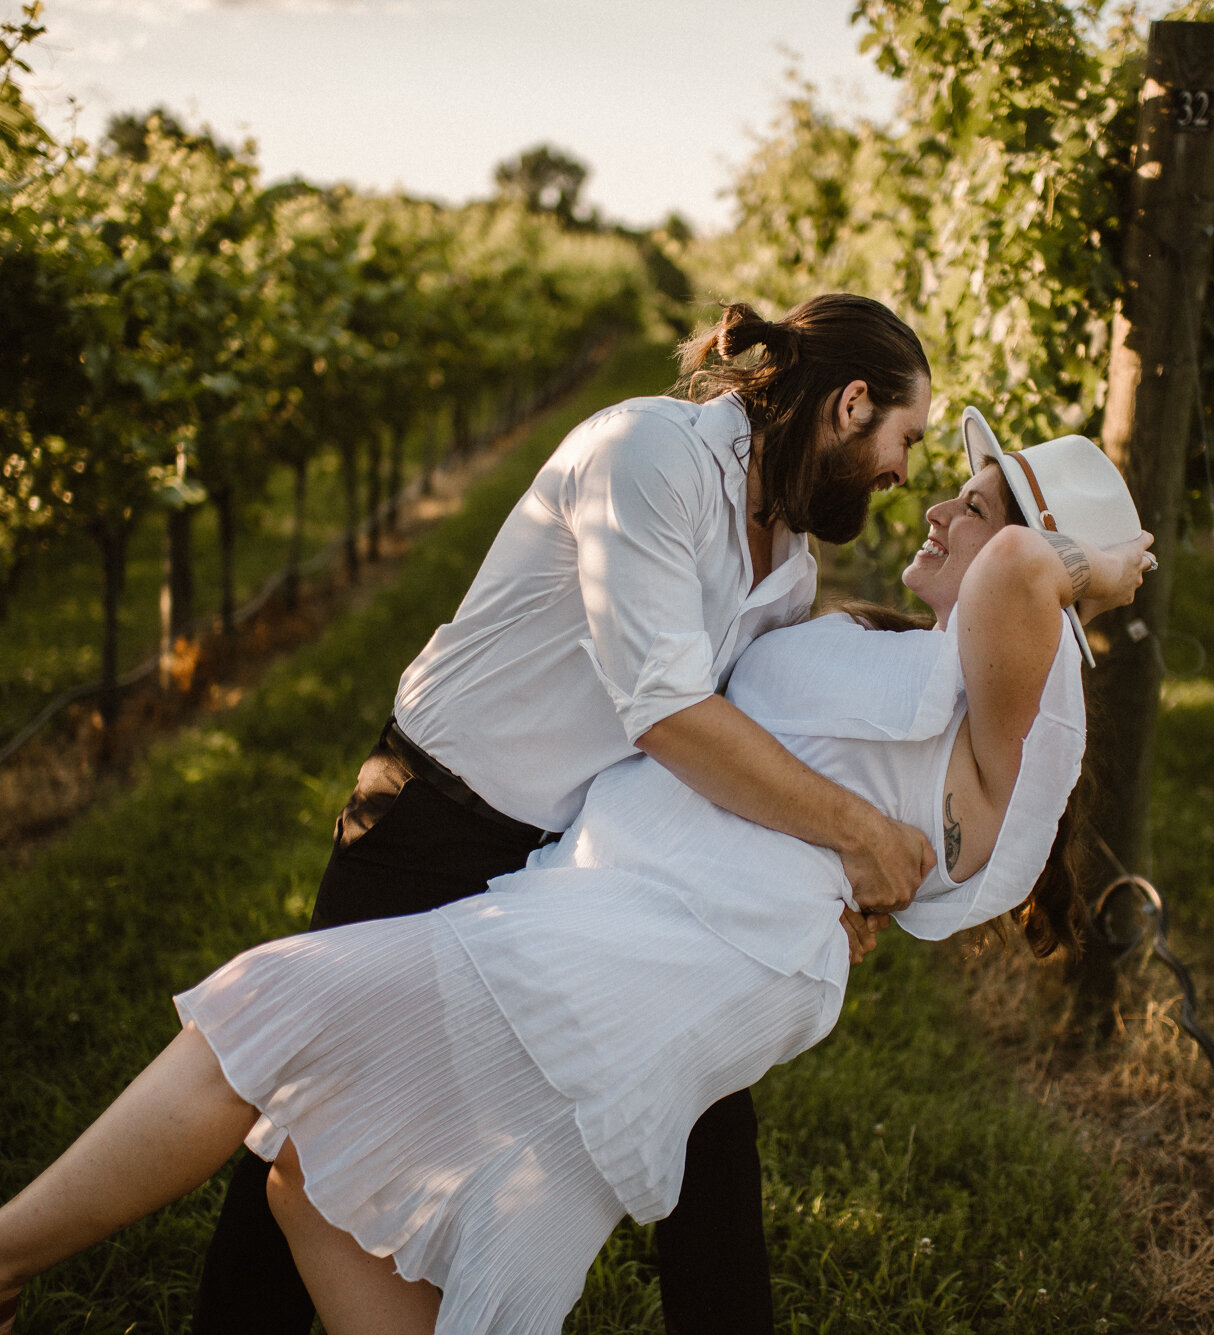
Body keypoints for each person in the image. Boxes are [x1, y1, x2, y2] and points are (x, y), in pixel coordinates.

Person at [0, 429, 1155, 1335]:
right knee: (314, 1185)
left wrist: (1092, 563)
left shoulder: (995, 727)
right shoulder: (863, 631)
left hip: (655, 960)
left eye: (965, 501)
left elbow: (1027, 571)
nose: (935, 503)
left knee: (266, 1009)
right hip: (592, 911)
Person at [203, 294, 941, 1335]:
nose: (904, 471)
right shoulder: (647, 455)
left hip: (579, 860)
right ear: (851, 404)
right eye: (905, 438)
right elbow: (671, 718)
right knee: (316, 1117)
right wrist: (855, 835)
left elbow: (743, 755)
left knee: (706, 1102)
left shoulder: (789, 574)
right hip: (433, 822)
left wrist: (812, 893)